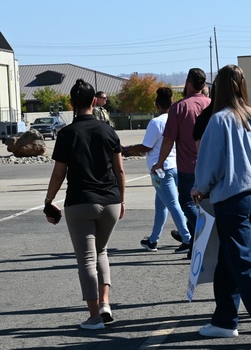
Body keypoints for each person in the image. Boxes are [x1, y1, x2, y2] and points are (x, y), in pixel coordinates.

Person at [192, 65, 251, 344]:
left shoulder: (218, 120)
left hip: (231, 198)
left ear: (219, 88)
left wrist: (200, 187)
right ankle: (224, 319)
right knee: (230, 258)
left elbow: (207, 165)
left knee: (241, 259)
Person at [43, 79, 126, 330]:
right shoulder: (109, 131)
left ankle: (93, 318)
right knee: (102, 252)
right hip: (110, 200)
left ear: (71, 104)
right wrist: (122, 199)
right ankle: (105, 305)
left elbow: (59, 173)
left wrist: (48, 200)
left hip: (80, 202)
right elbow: (119, 169)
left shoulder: (67, 134)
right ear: (94, 101)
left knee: (86, 260)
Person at [121, 87, 191, 253]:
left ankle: (188, 239)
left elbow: (146, 146)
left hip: (161, 169)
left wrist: (126, 149)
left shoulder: (156, 122)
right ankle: (153, 240)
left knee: (173, 204)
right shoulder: (176, 119)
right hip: (176, 166)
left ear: (157, 105)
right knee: (161, 206)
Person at [159, 68, 211, 248]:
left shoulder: (179, 107)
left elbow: (168, 140)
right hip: (211, 165)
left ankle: (204, 232)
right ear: (204, 85)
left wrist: (159, 162)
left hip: (188, 167)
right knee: (208, 203)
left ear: (188, 83)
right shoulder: (212, 104)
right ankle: (196, 244)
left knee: (186, 202)